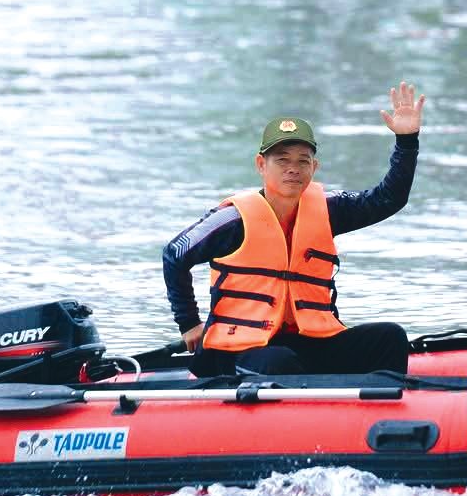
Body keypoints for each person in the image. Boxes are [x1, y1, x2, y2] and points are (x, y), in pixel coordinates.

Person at [163, 83, 426, 377]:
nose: (293, 169)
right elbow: (174, 255)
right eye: (282, 160)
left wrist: (407, 141)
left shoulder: (328, 210)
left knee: (388, 338)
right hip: (236, 349)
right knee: (278, 362)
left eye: (303, 161)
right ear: (261, 165)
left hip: (307, 342)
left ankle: (382, 415)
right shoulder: (232, 219)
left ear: (314, 168)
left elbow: (387, 199)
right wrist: (189, 323)